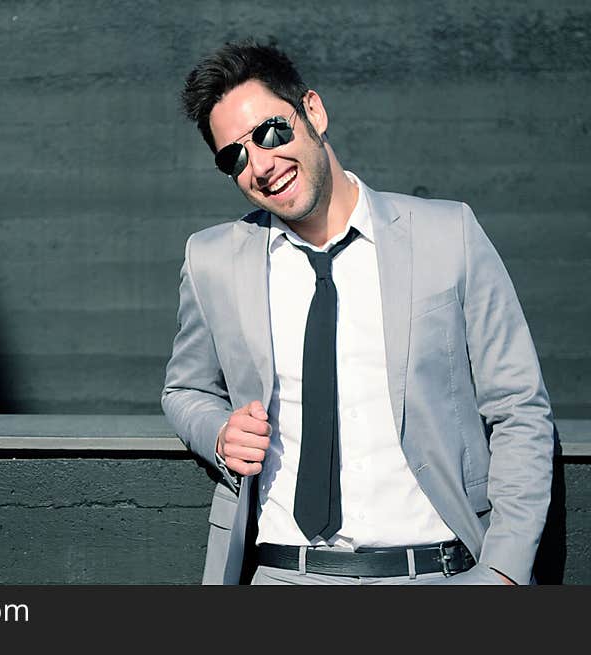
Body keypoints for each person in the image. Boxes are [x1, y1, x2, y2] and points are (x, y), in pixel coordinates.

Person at [161, 40, 555, 585]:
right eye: (236, 156)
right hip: (284, 575)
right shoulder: (211, 262)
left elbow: (518, 408)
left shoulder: (448, 235)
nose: (262, 163)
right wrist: (220, 434)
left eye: (271, 131)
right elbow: (184, 391)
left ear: (313, 112)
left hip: (440, 574)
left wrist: (504, 573)